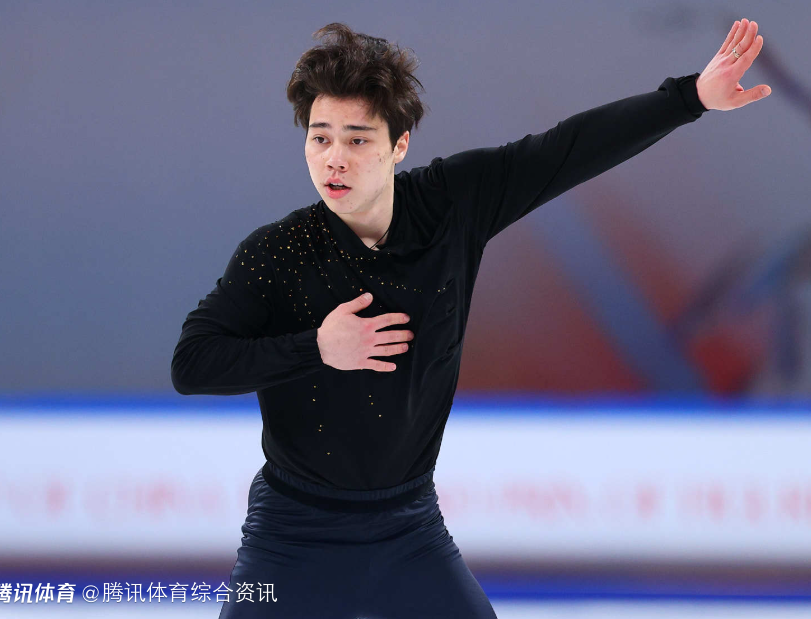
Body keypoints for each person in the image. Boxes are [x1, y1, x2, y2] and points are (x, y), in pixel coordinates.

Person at [171, 19, 770, 619]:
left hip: (408, 530)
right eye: (320, 138)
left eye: (357, 139)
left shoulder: (453, 203)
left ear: (398, 145)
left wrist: (690, 97)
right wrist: (317, 348)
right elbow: (192, 364)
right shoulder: (278, 253)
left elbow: (566, 150)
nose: (334, 159)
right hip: (291, 534)